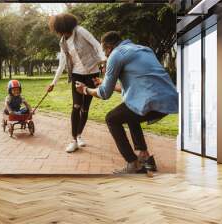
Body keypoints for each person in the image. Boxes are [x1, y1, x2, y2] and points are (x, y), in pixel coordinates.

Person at [75, 31, 178, 174]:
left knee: (111, 119)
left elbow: (105, 93)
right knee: (130, 110)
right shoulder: (143, 49)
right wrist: (104, 83)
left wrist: (85, 90)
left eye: (105, 51)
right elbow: (136, 84)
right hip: (170, 99)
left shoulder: (116, 55)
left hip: (152, 100)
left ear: (109, 47)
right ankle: (145, 157)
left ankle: (133, 163)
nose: (105, 55)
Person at [47, 13, 106, 153]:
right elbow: (62, 63)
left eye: (61, 29)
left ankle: (79, 135)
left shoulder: (80, 31)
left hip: (92, 74)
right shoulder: (62, 42)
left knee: (85, 108)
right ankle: (73, 140)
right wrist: (53, 83)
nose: (61, 33)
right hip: (77, 75)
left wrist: (104, 60)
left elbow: (97, 45)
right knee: (76, 107)